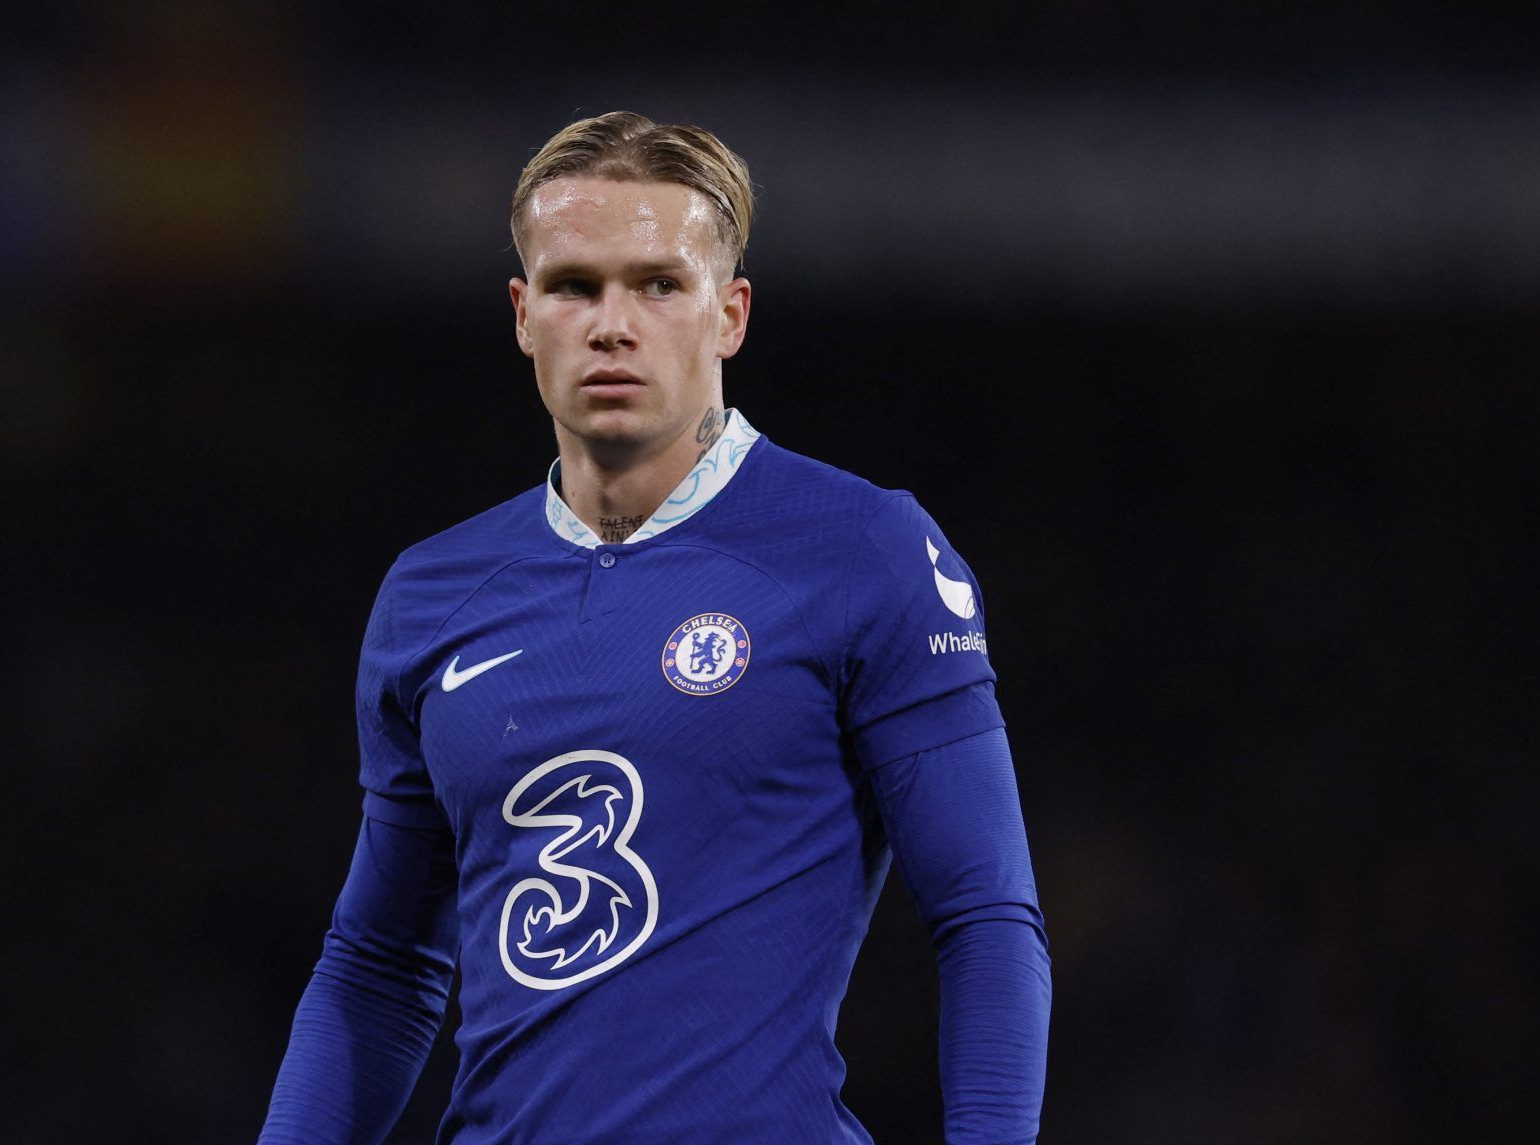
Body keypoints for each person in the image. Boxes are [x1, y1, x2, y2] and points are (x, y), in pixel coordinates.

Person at [258, 111, 1049, 1144]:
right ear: (521, 312)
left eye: (658, 284)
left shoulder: (861, 547)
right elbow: (380, 965)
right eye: (574, 285)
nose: (612, 322)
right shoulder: (432, 594)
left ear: (729, 313)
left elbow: (986, 918)